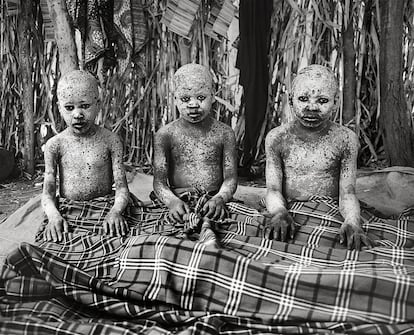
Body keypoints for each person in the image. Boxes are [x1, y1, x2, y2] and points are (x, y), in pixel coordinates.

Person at [265, 64, 372, 250]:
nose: (312, 108)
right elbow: (273, 189)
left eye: (322, 100)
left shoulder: (346, 139)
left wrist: (352, 221)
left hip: (331, 209)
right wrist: (279, 212)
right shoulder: (277, 138)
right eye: (303, 99)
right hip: (287, 206)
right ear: (291, 101)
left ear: (335, 102)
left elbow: (347, 193)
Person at [42, 70, 130, 242]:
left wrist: (116, 211)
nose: (77, 114)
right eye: (69, 107)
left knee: (122, 240)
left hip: (105, 207)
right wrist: (53, 216)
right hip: (69, 209)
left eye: (85, 106)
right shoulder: (55, 145)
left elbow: (122, 188)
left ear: (97, 104)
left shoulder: (111, 141)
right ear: (59, 108)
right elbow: (48, 192)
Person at [153, 63, 238, 223]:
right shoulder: (165, 135)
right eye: (185, 99)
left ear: (212, 96)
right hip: (178, 200)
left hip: (214, 200)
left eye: (201, 98)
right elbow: (159, 183)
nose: (193, 104)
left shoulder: (224, 133)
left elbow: (231, 178)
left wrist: (220, 198)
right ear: (175, 98)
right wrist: (172, 202)